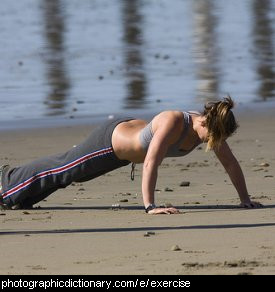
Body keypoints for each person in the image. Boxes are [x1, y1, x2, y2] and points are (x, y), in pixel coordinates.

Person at [0, 96, 262, 214]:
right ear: (206, 124)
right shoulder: (175, 122)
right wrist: (150, 206)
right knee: (63, 169)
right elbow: (151, 162)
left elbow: (230, 163)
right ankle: (6, 185)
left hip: (123, 153)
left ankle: (22, 198)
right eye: (216, 139)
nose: (216, 145)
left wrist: (245, 200)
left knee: (71, 177)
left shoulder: (209, 127)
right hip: (110, 142)